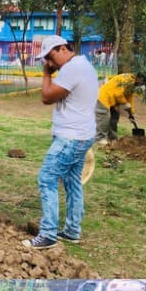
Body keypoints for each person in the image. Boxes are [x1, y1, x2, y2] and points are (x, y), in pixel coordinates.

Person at [24, 34, 98, 250]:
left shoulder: (72, 69)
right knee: (72, 181)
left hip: (71, 138)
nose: (49, 63)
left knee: (46, 177)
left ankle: (47, 234)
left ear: (62, 49)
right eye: (46, 60)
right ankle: (72, 230)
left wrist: (46, 74)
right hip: (81, 135)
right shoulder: (82, 65)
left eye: (49, 57)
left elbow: (46, 97)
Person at [96, 72, 144, 143]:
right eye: (142, 83)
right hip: (103, 98)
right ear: (139, 79)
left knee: (114, 117)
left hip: (112, 101)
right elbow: (118, 94)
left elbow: (129, 97)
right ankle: (100, 139)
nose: (141, 85)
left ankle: (112, 138)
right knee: (104, 119)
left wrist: (131, 112)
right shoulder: (127, 79)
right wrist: (125, 103)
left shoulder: (132, 83)